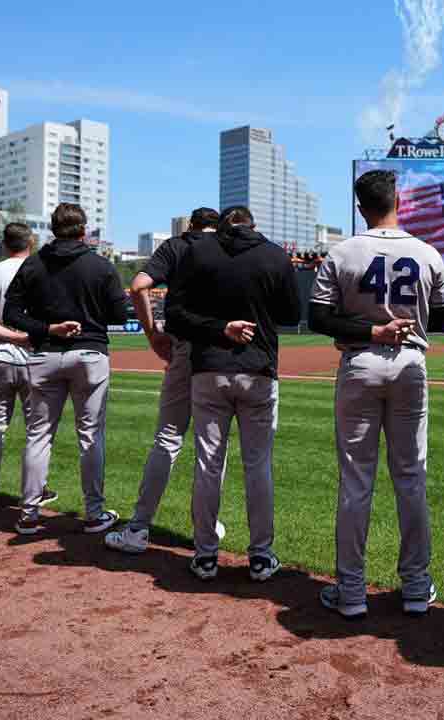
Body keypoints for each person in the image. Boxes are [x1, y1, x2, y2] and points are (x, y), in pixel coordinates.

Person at [309, 170, 444, 618]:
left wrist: (371, 328)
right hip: (410, 363)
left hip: (360, 362)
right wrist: (404, 321)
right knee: (411, 478)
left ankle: (352, 592)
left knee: (357, 481)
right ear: (399, 201)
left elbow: (318, 318)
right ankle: (416, 587)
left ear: (361, 208)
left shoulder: (342, 251)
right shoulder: (427, 252)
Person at [165, 206, 300, 581]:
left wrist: (219, 327)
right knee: (258, 466)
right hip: (258, 370)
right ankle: (261, 556)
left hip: (209, 370)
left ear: (222, 226)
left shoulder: (198, 252)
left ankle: (206, 555)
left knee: (209, 464)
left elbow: (175, 315)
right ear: (253, 225)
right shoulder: (274, 255)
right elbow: (291, 314)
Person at [105, 207, 227, 553]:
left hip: (184, 347)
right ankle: (207, 529)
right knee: (213, 446)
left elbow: (138, 286)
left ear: (192, 226)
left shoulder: (177, 245)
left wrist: (152, 335)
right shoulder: (228, 247)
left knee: (168, 438)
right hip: (222, 351)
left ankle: (138, 528)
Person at [4, 203, 128, 535]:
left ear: (52, 229)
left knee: (38, 435)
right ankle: (94, 513)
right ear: (83, 231)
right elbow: (119, 315)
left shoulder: (33, 263)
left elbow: (11, 314)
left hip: (45, 354)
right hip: (89, 354)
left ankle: (29, 513)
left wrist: (48, 328)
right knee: (90, 435)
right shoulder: (100, 266)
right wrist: (89, 313)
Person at [0, 223, 53, 512]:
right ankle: (35, 490)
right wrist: (21, 336)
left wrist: (8, 335)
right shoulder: (44, 270)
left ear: (4, 244)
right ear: (31, 243)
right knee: (37, 430)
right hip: (34, 355)